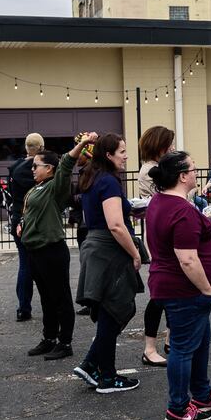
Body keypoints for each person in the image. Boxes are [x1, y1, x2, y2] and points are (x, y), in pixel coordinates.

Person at [145, 150, 211, 420]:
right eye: (193, 169)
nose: (197, 173)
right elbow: (187, 258)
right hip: (185, 291)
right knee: (184, 349)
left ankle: (202, 394)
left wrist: (209, 222)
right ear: (183, 176)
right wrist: (207, 288)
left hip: (177, 288)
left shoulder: (161, 201)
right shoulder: (180, 210)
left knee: (200, 344)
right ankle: (178, 407)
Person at [73, 133, 143, 393]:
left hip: (95, 246)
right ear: (108, 155)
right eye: (122, 151)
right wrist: (135, 253)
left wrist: (131, 210)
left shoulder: (94, 177)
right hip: (107, 250)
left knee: (109, 311)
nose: (125, 156)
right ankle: (106, 376)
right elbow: (115, 224)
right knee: (115, 310)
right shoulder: (109, 182)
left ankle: (92, 366)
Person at [22, 134, 91, 362]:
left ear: (49, 168)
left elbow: (66, 165)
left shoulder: (55, 186)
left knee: (60, 297)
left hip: (52, 250)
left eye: (36, 165)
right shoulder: (36, 188)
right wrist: (22, 225)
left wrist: (81, 144)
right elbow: (32, 213)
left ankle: (65, 343)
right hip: (35, 251)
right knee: (45, 298)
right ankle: (49, 338)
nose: (32, 169)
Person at [136, 125, 176, 367]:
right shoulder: (151, 170)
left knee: (172, 291)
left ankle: (171, 339)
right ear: (159, 145)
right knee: (160, 293)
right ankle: (149, 347)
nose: (172, 147)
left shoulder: (157, 167)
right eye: (169, 144)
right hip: (160, 235)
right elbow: (166, 199)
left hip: (168, 232)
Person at [6, 133, 42, 322]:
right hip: (35, 219)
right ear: (41, 148)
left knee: (24, 265)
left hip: (18, 216)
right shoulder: (39, 169)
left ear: (26, 148)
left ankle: (23, 307)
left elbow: (11, 194)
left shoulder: (14, 168)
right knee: (43, 264)